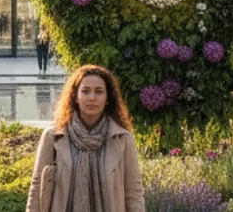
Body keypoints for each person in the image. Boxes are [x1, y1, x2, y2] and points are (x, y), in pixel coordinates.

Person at [24, 65, 143, 212]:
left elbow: (133, 193)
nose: (92, 97)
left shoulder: (122, 139)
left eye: (99, 92)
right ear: (75, 97)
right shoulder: (53, 137)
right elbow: (36, 189)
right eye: (85, 91)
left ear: (107, 98)